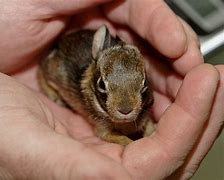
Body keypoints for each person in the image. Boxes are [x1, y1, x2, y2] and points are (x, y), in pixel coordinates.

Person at [0, 0, 223, 179]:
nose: (126, 107)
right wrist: (128, 141)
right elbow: (104, 131)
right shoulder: (92, 95)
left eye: (142, 87)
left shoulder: (145, 96)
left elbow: (142, 108)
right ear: (98, 81)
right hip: (59, 60)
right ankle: (51, 86)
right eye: (104, 87)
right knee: (53, 68)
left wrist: (147, 124)